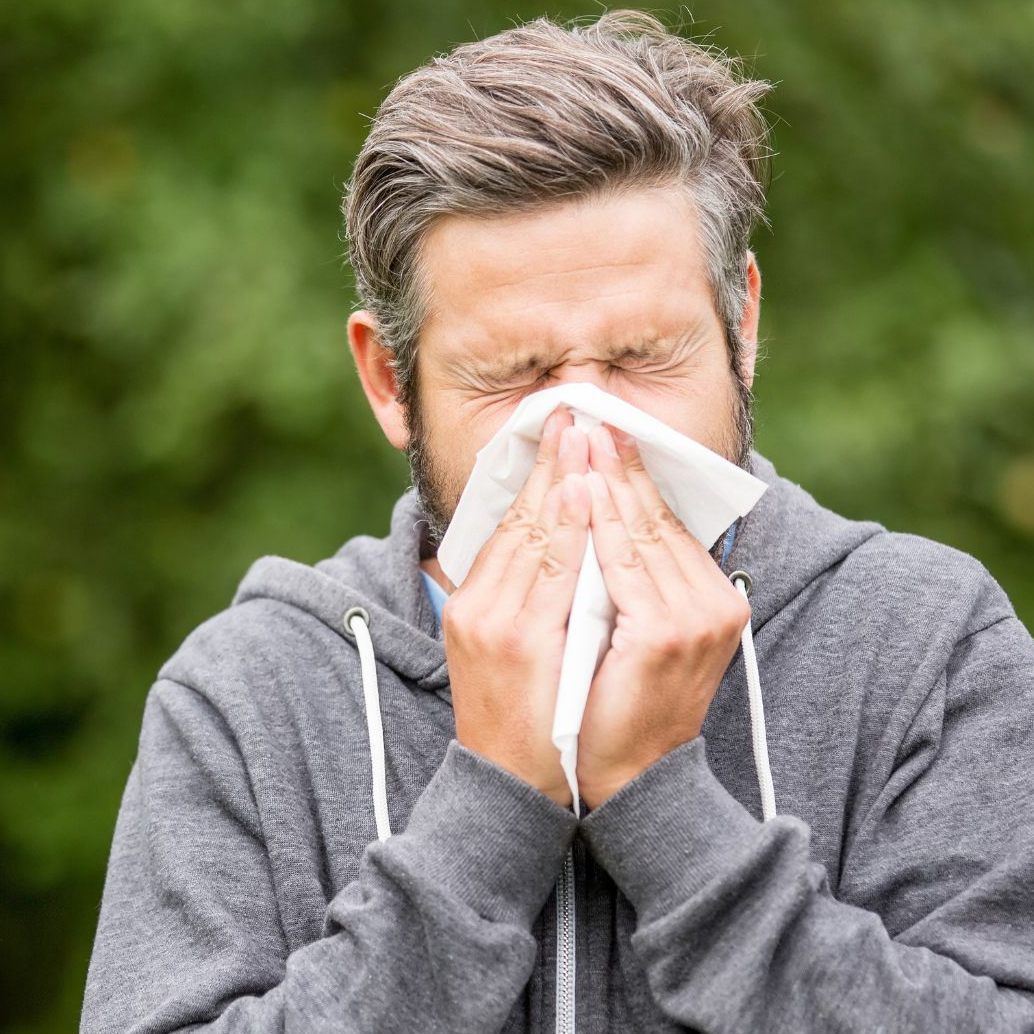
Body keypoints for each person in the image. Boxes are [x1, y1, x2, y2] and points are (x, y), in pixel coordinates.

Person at [80, 10, 1034, 1033]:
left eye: (642, 357)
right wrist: (489, 802)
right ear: (388, 379)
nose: (585, 429)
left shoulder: (925, 640)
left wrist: (663, 805)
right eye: (513, 375)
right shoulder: (249, 690)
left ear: (740, 325)